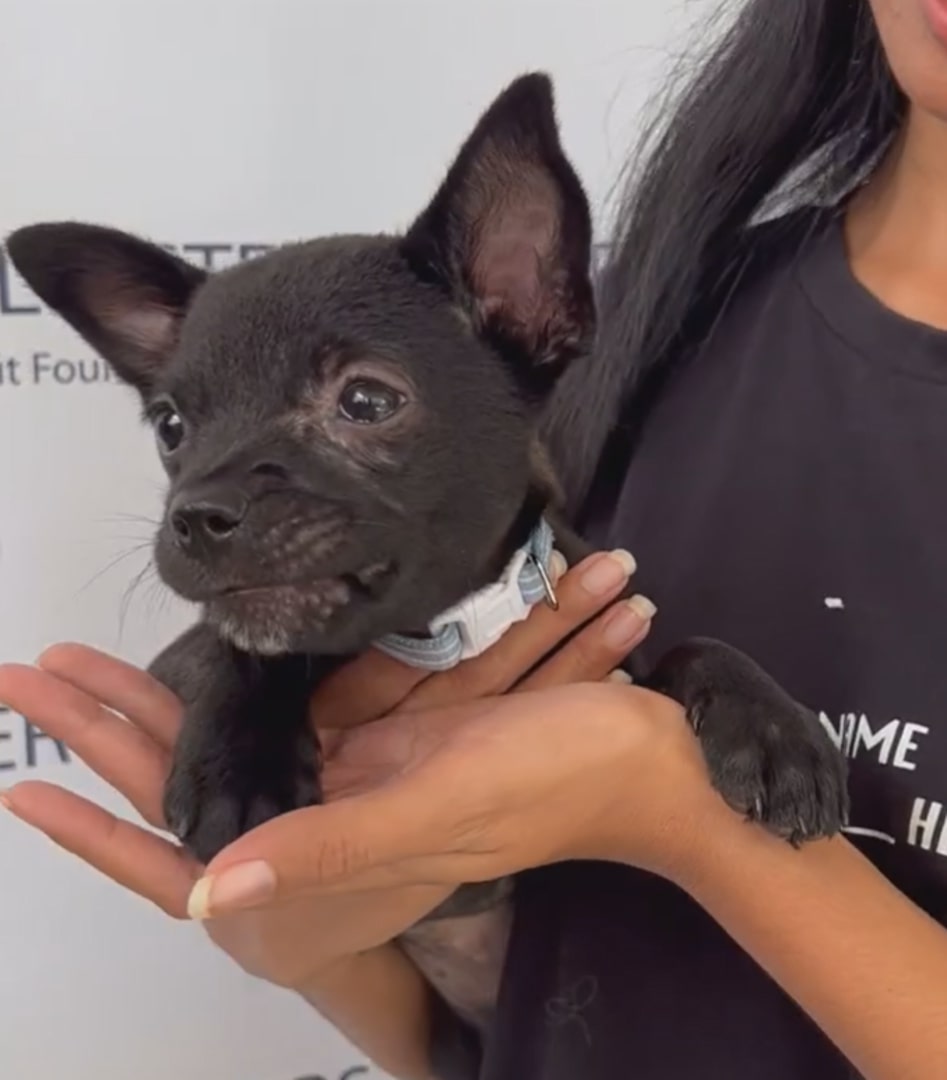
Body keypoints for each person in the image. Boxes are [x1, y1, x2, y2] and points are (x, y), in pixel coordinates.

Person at [2, 0, 947, 1076]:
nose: (207, 491)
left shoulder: (534, 336)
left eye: (360, 403)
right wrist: (321, 920)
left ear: (525, 301)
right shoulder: (661, 320)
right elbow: (464, 1027)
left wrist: (677, 811)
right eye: (178, 423)